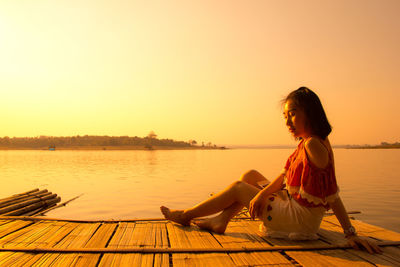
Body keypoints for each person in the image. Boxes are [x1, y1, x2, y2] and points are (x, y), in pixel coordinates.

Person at [160, 87, 381, 254]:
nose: (288, 122)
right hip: (295, 206)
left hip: (299, 220)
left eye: (293, 114)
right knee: (250, 176)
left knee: (238, 187)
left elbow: (332, 193)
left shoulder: (313, 144)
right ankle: (221, 220)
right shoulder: (308, 142)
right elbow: (285, 176)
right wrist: (262, 193)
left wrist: (350, 233)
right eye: (285, 116)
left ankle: (186, 215)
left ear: (311, 113)